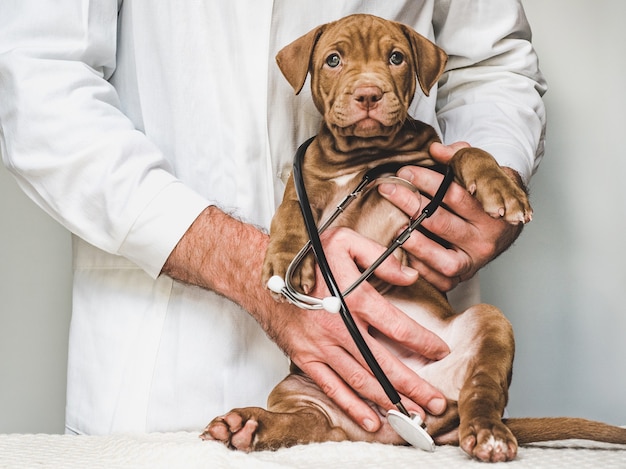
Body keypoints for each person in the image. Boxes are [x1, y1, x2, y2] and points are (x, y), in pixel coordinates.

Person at [0, 1, 546, 436]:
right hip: (168, 364)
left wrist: (489, 181)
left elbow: (492, 65)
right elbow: (38, 77)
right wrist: (245, 265)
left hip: (406, 342)